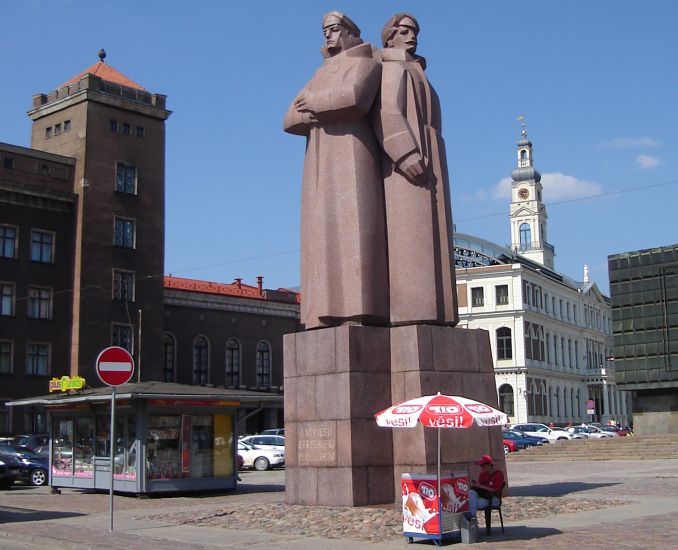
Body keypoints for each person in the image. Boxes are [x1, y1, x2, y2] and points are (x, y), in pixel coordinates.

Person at [284, 11, 388, 330]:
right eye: (325, 31)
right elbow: (289, 119)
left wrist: (313, 105)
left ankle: (359, 308)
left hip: (353, 152)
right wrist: (316, 110)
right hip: (320, 161)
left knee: (354, 229)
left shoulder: (366, 61)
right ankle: (323, 312)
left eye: (333, 30)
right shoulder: (320, 73)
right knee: (323, 234)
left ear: (348, 32)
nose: (327, 36)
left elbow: (355, 98)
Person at [373, 13, 458, 326]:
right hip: (407, 164)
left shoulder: (417, 69)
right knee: (411, 235)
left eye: (415, 32)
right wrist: (405, 153)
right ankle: (414, 314)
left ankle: (439, 315)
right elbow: (387, 112)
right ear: (391, 35)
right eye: (406, 31)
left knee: (434, 237)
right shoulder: (392, 66)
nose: (413, 37)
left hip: (430, 151)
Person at [466, 454, 505, 520]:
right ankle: (472, 519)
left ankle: (472, 520)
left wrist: (481, 486)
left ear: (489, 464)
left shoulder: (498, 474)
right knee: (471, 494)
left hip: (493, 498)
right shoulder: (482, 475)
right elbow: (480, 488)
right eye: (480, 466)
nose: (481, 468)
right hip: (483, 496)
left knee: (472, 504)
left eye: (483, 466)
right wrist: (476, 486)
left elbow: (495, 490)